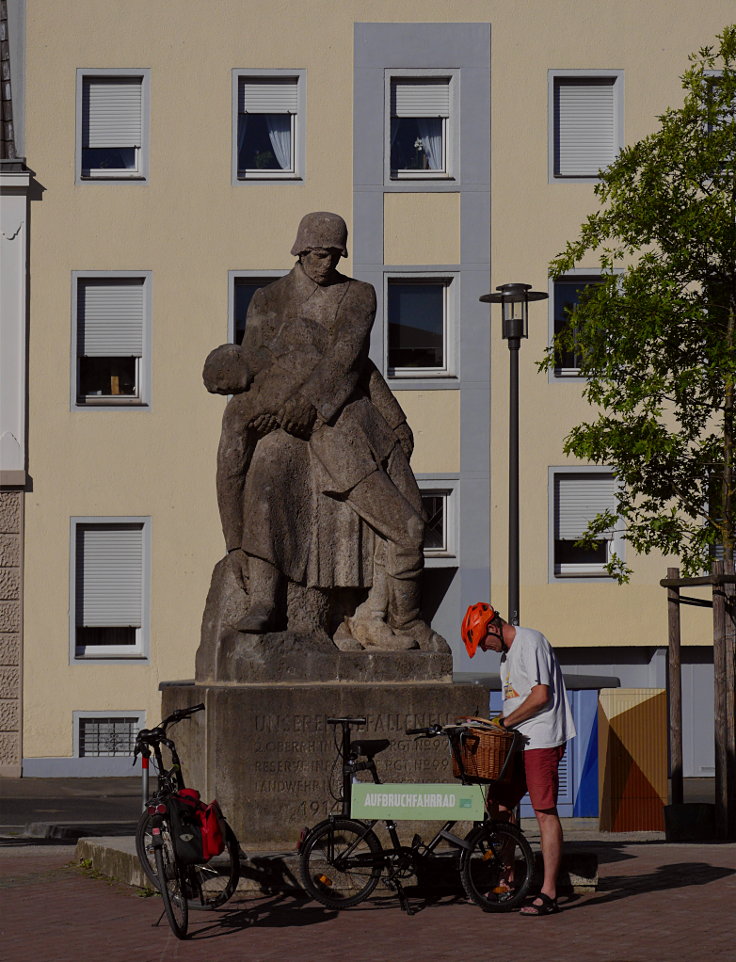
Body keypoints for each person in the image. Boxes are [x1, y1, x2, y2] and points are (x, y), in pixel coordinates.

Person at [205, 212, 444, 651]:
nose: (325, 263)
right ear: (300, 251)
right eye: (318, 255)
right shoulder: (268, 299)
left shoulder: (358, 295)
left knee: (408, 523)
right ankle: (265, 597)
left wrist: (312, 403)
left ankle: (375, 615)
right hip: (286, 425)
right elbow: (258, 365)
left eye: (334, 255)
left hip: (343, 418)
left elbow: (350, 357)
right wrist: (233, 542)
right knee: (268, 470)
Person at [461, 602, 576, 916]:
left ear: (493, 626)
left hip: (541, 738)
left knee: (543, 811)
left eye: (483, 640)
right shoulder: (506, 657)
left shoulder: (531, 642)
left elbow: (541, 696)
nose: (484, 648)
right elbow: (514, 705)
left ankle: (549, 892)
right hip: (517, 741)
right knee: (498, 806)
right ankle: (507, 881)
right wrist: (494, 723)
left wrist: (504, 723)